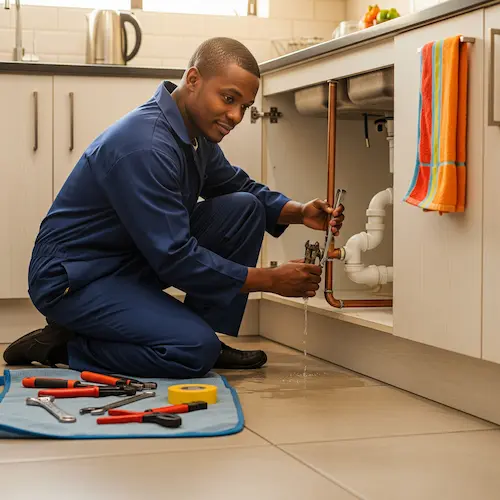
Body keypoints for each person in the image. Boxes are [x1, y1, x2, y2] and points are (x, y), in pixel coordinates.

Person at [3, 37, 344, 378]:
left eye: (245, 106)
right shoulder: (147, 145)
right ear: (193, 80)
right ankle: (65, 346)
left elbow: (237, 186)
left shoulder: (192, 132)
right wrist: (269, 280)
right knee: (193, 352)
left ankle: (195, 332)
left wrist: (299, 212)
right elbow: (176, 257)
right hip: (75, 278)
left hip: (127, 260)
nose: (236, 116)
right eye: (228, 99)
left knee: (245, 208)